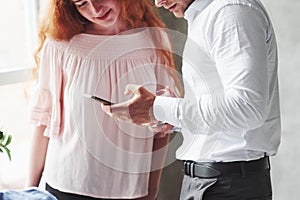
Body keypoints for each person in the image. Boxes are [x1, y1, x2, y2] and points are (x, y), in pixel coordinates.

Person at [102, 0, 281, 199]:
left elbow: (247, 108)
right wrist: (172, 117)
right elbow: (229, 116)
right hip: (212, 182)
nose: (159, 2)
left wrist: (160, 108)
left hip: (227, 186)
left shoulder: (231, 12)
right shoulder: (207, 15)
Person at [26, 0, 182, 199]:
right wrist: (27, 191)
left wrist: (150, 192)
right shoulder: (61, 44)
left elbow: (161, 131)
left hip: (130, 191)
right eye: (82, 3)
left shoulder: (153, 39)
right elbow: (42, 122)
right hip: (66, 186)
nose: (95, 10)